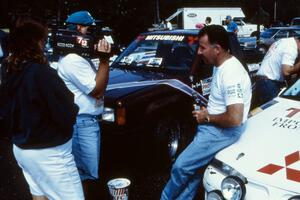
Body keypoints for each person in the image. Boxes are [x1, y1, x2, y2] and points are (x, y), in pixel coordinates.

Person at [161, 25, 252, 200]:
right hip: (214, 127)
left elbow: (235, 118)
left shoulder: (231, 73)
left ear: (217, 49)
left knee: (181, 166)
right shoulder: (221, 63)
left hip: (221, 131)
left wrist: (207, 116)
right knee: (194, 173)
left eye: (203, 48)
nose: (199, 52)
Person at [1, 17, 84, 199]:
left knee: (39, 195)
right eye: (44, 40)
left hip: (22, 149)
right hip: (49, 153)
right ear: (37, 42)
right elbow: (67, 113)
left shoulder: (9, 69)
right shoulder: (42, 73)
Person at [57, 10, 111, 186]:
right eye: (89, 28)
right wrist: (105, 60)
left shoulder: (77, 56)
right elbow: (97, 90)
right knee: (86, 174)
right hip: (82, 123)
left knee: (85, 172)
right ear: (79, 28)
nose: (92, 33)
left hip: (85, 121)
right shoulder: (72, 59)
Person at [255, 37, 300, 105]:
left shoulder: (285, 41)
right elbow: (286, 71)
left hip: (264, 81)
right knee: (274, 111)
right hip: (268, 83)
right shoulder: (291, 48)